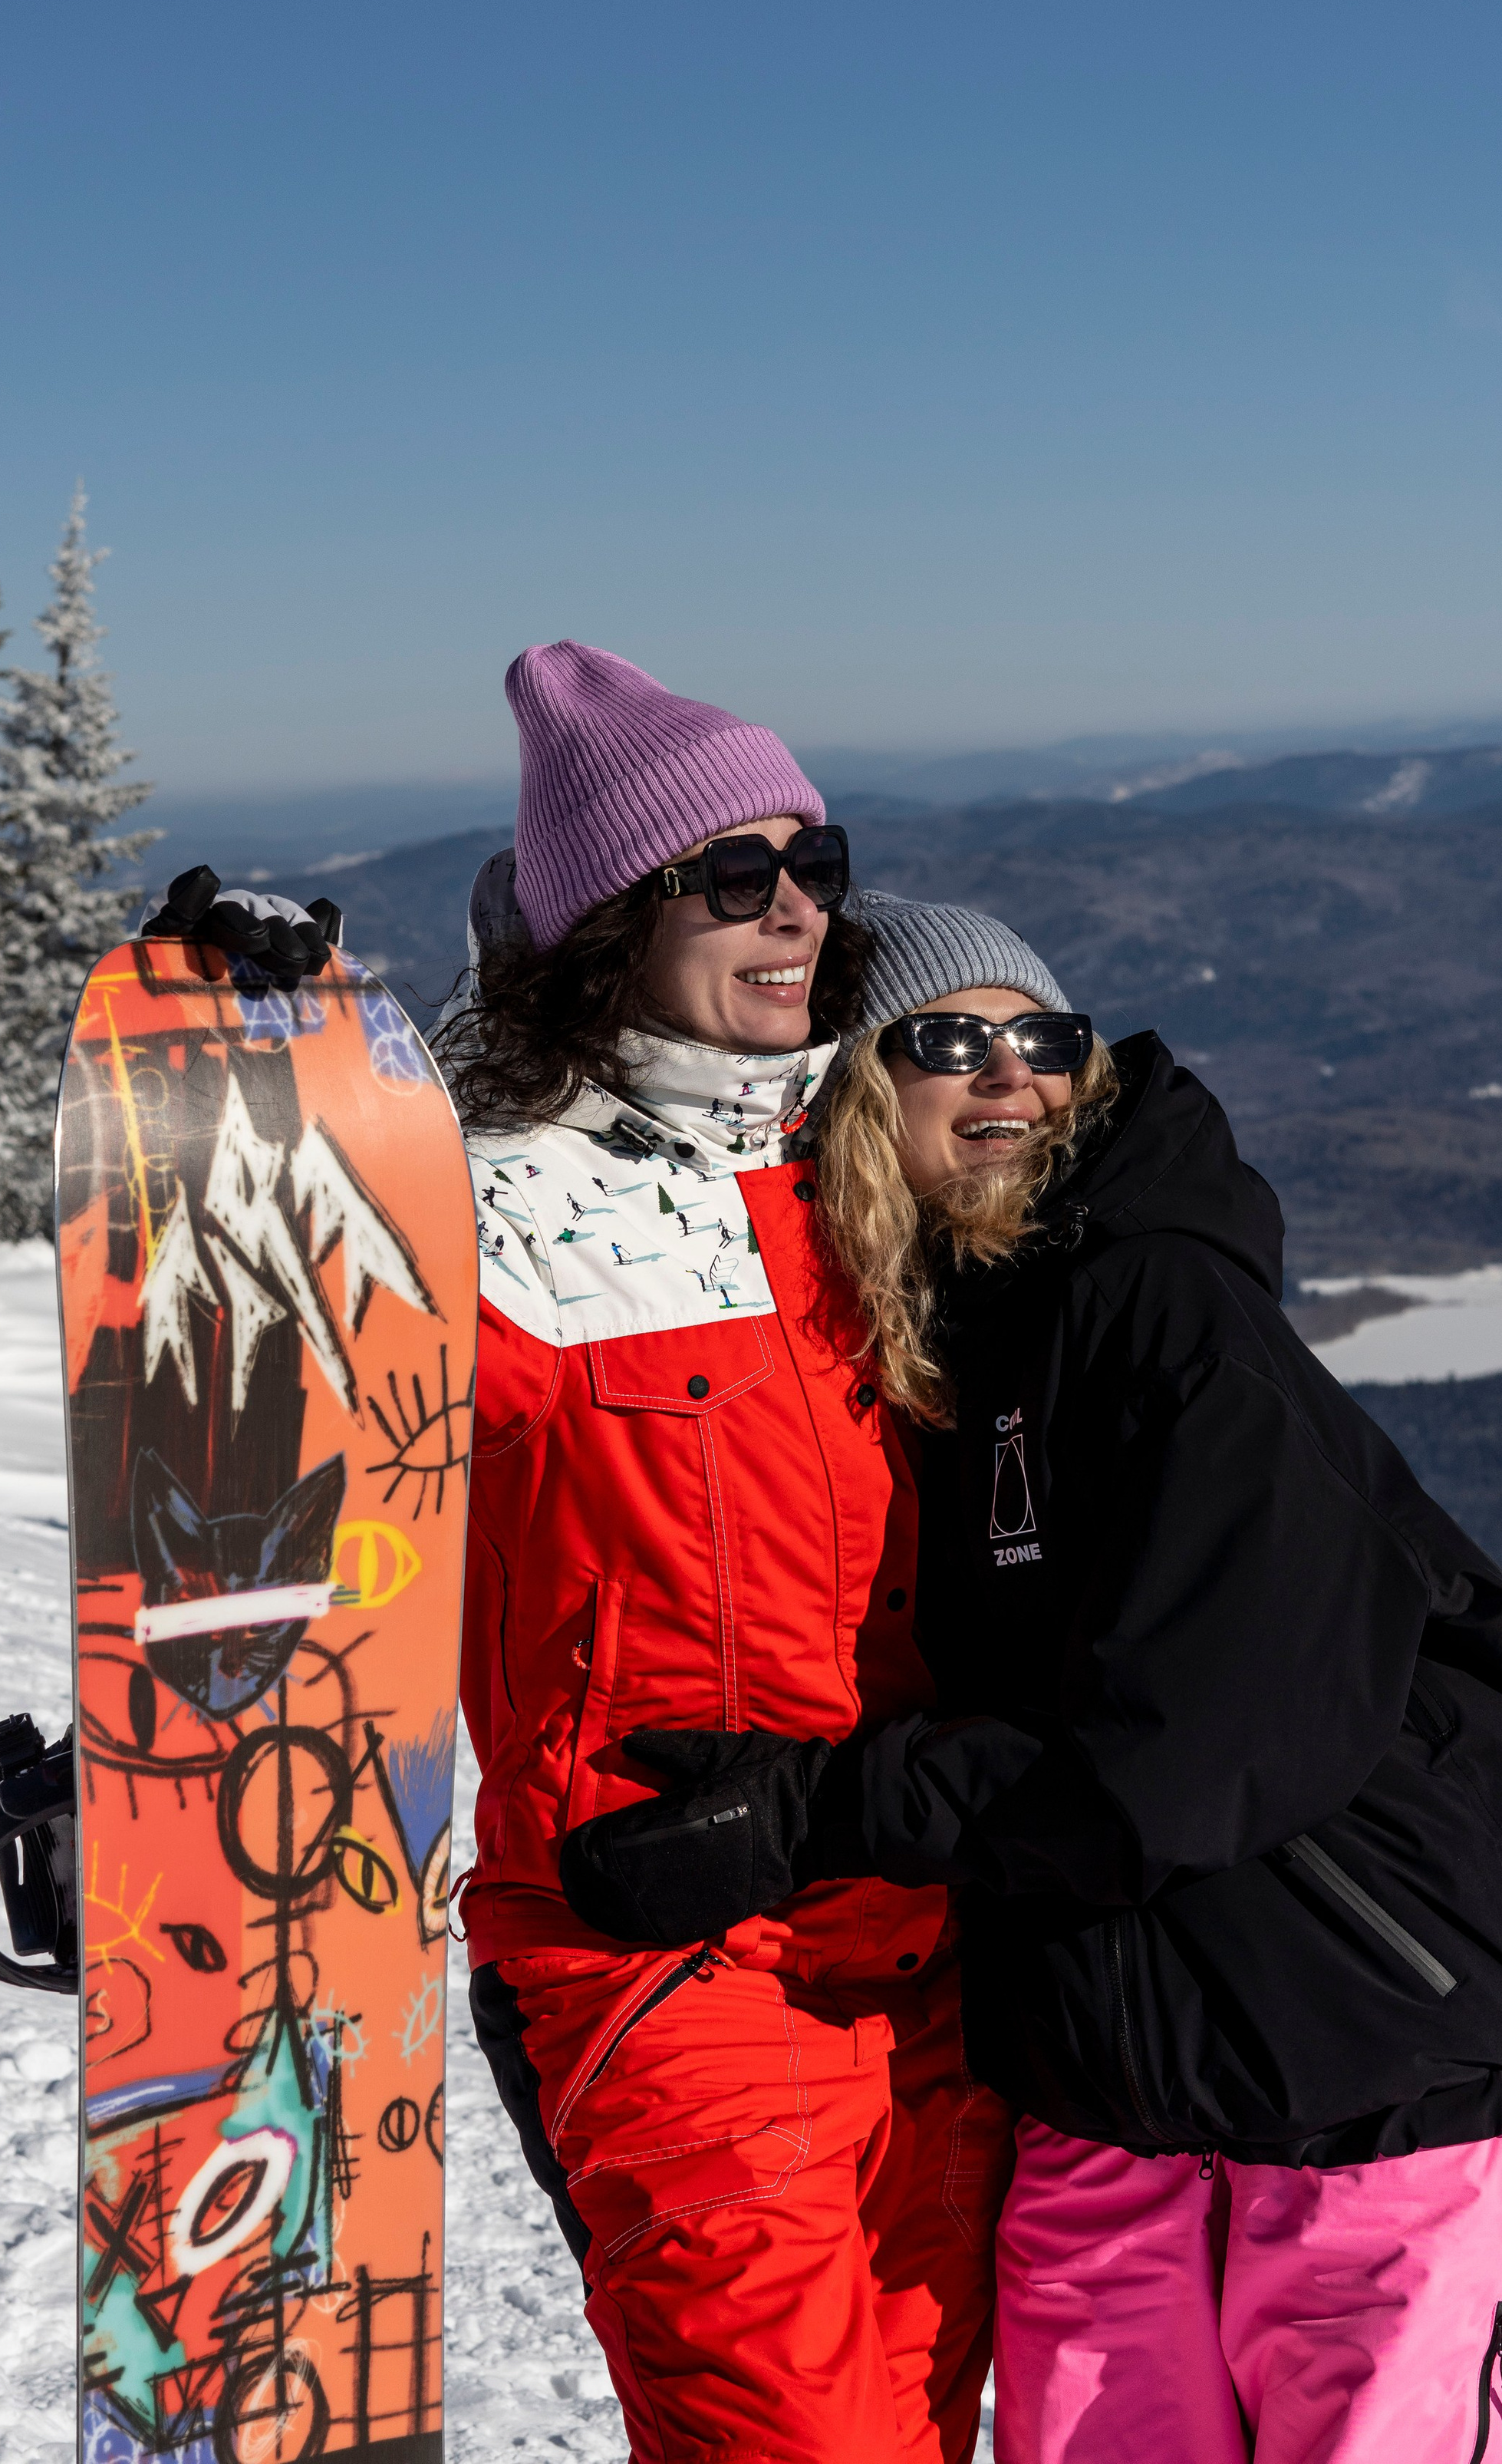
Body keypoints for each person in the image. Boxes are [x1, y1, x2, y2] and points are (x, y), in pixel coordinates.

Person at [563, 892, 1502, 2464]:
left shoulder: (1160, 1310)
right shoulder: (921, 1352)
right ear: (848, 1092)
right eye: (946, 1041)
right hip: (1104, 2113)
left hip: (1376, 2082)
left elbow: (1188, 1757)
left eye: (1044, 1039)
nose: (1011, 1075)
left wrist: (814, 1814)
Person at [436, 659, 1007, 2464]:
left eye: (812, 864)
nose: (793, 911)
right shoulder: (477, 1209)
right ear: (610, 921)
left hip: (923, 1956)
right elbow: (273, 1490)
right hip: (660, 1962)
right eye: (732, 875)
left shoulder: (868, 1177)